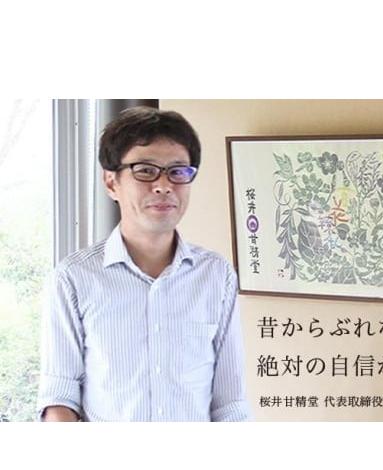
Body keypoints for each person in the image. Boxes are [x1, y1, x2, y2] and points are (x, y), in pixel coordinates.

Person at [37, 106, 252, 421]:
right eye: (145, 170)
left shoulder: (216, 275)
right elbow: (59, 398)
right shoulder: (74, 278)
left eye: (178, 171)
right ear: (111, 182)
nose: (164, 185)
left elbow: (230, 403)